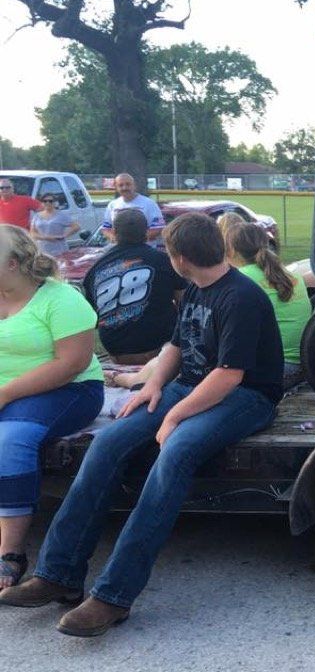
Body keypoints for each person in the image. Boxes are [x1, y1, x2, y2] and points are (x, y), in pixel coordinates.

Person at [0, 212, 283, 636]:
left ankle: (114, 597)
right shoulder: (196, 289)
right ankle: (58, 573)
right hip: (187, 387)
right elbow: (175, 344)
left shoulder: (240, 297)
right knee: (107, 445)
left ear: (179, 258)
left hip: (244, 397)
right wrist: (153, 385)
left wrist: (173, 415)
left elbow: (229, 375)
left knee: (174, 455)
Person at [0, 225, 104, 590]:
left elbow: (72, 363)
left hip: (69, 389)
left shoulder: (61, 299)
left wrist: (6, 394)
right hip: (8, 392)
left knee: (10, 440)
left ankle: (10, 553)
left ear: (12, 263)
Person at [82, 208, 186, 365]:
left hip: (116, 351)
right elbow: (185, 303)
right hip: (160, 350)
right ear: (146, 232)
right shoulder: (164, 261)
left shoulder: (95, 269)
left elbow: (92, 316)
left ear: (114, 232)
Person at [226, 222, 311, 388]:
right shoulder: (291, 274)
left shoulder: (240, 278)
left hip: (274, 371)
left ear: (232, 251)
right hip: (304, 366)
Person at [100, 173, 164, 243]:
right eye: (121, 185)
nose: (125, 188)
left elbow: (158, 228)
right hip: (120, 250)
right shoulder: (112, 205)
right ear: (116, 188)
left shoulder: (149, 204)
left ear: (134, 185)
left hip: (144, 250)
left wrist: (136, 240)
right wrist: (113, 238)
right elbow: (106, 228)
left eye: (128, 184)